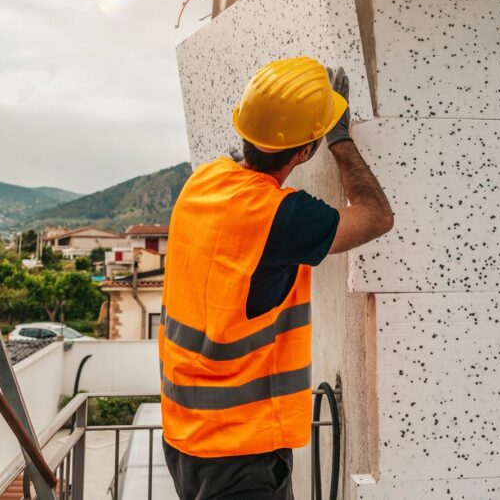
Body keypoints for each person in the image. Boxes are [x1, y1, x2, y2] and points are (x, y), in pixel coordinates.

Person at [159, 56, 394, 499]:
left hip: (185, 434)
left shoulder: (203, 183)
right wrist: (340, 138)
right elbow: (376, 217)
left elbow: (247, 159)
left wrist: (297, 112)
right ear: (306, 152)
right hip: (239, 454)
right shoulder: (282, 217)